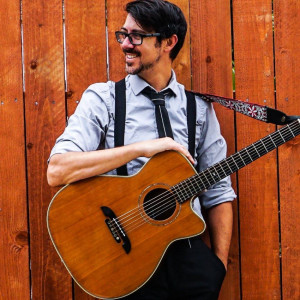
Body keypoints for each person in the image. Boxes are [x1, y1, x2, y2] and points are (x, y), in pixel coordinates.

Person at [47, 0, 236, 299]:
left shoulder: (198, 109)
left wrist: (218, 266)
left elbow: (218, 192)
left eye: (137, 36)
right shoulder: (104, 99)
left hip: (190, 262)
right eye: (123, 34)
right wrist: (140, 149)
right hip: (127, 260)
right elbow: (58, 170)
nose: (125, 44)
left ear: (168, 43)